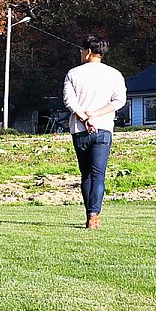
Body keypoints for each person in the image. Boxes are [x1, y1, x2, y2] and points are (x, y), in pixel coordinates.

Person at [63, 34, 127, 230]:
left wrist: (84, 118)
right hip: (104, 129)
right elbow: (119, 101)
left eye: (82, 50)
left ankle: (88, 214)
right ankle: (94, 215)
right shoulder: (114, 74)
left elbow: (69, 101)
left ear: (88, 51)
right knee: (99, 175)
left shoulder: (73, 73)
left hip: (80, 131)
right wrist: (96, 115)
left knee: (86, 175)